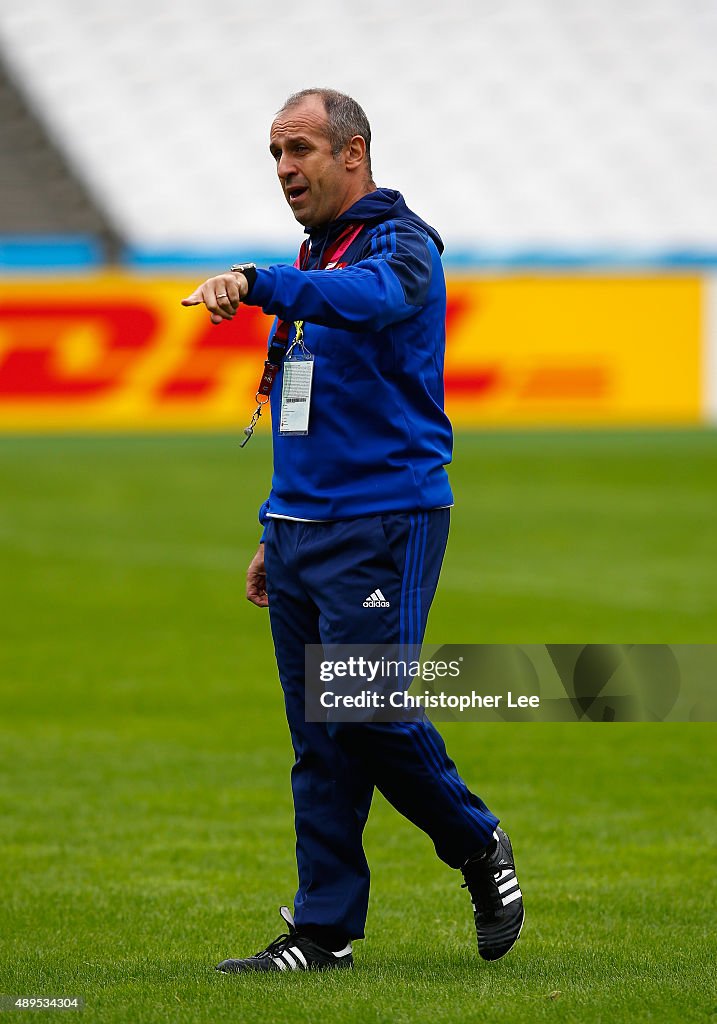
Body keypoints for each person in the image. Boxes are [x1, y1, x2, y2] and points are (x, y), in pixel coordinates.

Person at [181, 88, 524, 973]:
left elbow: (366, 302)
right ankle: (322, 933)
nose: (286, 168)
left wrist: (257, 282)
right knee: (319, 740)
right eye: (275, 154)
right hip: (302, 525)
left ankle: (476, 842)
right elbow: (303, 406)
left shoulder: (399, 247)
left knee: (363, 707)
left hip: (383, 517)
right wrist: (273, 524)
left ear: (353, 153)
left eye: (299, 149)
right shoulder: (318, 252)